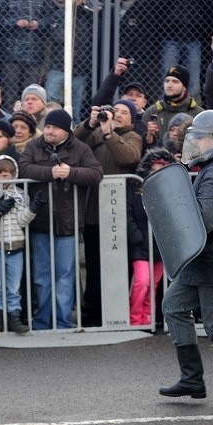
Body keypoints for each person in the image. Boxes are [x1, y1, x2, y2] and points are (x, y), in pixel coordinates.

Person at [19, 109, 103, 330]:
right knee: (43, 276)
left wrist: (71, 173)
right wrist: (51, 173)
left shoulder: (81, 148)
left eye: (54, 128)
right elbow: (23, 168)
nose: (49, 131)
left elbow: (96, 173)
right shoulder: (33, 146)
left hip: (69, 222)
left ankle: (63, 321)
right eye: (47, 126)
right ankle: (43, 322)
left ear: (66, 130)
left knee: (65, 276)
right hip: (41, 220)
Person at [157, 110, 213, 400]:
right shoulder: (206, 169)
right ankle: (192, 379)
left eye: (201, 138)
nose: (196, 143)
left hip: (210, 263)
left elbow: (205, 217)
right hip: (198, 262)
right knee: (174, 306)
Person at [74, 100, 143, 326]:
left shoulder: (133, 137)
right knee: (94, 265)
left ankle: (117, 311)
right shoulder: (96, 135)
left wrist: (108, 133)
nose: (119, 115)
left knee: (119, 265)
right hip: (94, 212)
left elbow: (128, 157)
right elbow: (74, 142)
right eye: (116, 111)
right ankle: (92, 311)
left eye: (125, 113)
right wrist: (90, 123)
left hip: (121, 214)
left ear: (132, 119)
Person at [0, 155, 41, 333]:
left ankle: (14, 317)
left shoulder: (21, 194)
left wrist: (32, 210)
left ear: (14, 175)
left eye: (6, 174)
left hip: (16, 246)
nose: (2, 178)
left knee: (14, 286)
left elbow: (22, 221)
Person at [127, 148, 171, 326]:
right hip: (141, 243)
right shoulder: (137, 189)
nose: (157, 172)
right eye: (154, 169)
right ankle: (135, 317)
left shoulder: (169, 191)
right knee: (142, 282)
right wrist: (136, 237)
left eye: (162, 168)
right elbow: (128, 213)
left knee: (153, 284)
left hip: (160, 244)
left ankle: (147, 318)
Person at [44, 0, 95, 124]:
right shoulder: (58, 15)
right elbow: (57, 36)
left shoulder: (90, 17)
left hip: (81, 68)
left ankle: (74, 133)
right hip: (58, 65)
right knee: (51, 98)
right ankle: (51, 124)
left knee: (76, 106)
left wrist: (82, 11)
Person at [0, 0, 48, 105]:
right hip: (11, 54)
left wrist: (39, 23)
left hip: (35, 54)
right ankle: (11, 119)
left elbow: (51, 18)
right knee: (10, 92)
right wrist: (14, 23)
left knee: (31, 94)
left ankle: (30, 119)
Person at [143, 66, 205, 138]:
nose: (169, 85)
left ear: (184, 87)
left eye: (175, 82)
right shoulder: (152, 111)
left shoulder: (198, 114)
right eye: (167, 81)